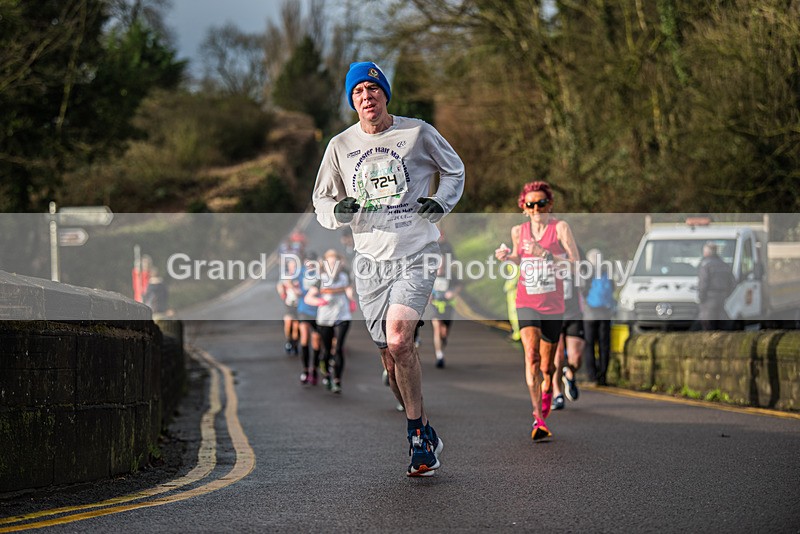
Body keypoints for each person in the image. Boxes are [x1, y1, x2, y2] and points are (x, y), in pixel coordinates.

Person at [312, 61, 465, 476]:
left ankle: (416, 438)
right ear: (352, 101)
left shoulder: (417, 132)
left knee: (400, 341)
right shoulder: (340, 146)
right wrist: (338, 211)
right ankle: (424, 427)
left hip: (416, 252)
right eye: (358, 91)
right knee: (390, 359)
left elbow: (454, 169)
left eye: (373, 89)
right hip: (369, 261)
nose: (367, 96)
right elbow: (322, 200)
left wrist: (441, 202)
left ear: (385, 95)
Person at [495, 181, 579, 442]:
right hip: (527, 301)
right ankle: (538, 417)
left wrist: (547, 254)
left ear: (549, 204)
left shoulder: (560, 228)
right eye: (530, 204)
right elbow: (521, 258)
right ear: (524, 208)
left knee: (548, 366)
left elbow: (576, 264)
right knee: (530, 356)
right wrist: (508, 257)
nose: (535, 209)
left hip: (553, 304)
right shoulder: (518, 231)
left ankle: (547, 392)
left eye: (540, 203)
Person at [305, 250, 355, 394]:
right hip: (325, 317)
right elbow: (309, 298)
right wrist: (319, 301)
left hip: (342, 315)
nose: (333, 266)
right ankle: (326, 373)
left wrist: (351, 300)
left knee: (338, 348)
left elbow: (349, 291)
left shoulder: (345, 277)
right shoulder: (321, 279)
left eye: (336, 263)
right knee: (326, 350)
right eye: (330, 263)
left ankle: (338, 380)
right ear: (324, 265)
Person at [551, 247, 585, 410]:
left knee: (576, 358)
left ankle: (569, 374)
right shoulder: (545, 251)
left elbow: (582, 268)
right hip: (554, 313)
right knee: (557, 356)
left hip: (573, 312)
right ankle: (557, 394)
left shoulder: (575, 251)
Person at [583, 248, 615, 386]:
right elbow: (613, 288)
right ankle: (603, 376)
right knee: (604, 345)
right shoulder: (607, 271)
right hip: (605, 312)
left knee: (589, 344)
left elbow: (582, 290)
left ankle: (592, 376)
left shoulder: (586, 272)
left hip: (590, 313)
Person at [429, 244, 462, 369]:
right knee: (437, 327)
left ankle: (443, 340)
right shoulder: (431, 275)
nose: (441, 267)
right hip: (436, 306)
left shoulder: (450, 275)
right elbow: (424, 287)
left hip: (448, 307)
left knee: (444, 332)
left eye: (443, 264)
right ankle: (439, 356)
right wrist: (428, 296)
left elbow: (459, 285)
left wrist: (452, 293)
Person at [296, 252, 322, 386]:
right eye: (308, 261)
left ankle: (314, 369)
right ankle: (305, 370)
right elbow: (290, 282)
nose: (311, 263)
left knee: (316, 342)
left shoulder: (321, 274)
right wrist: (293, 289)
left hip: (318, 311)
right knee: (304, 338)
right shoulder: (300, 272)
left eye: (313, 261)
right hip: (303, 310)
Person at [697, 241, 735, 331]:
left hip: (709, 298)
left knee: (708, 325)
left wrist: (701, 297)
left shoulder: (706, 265)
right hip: (722, 297)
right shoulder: (724, 265)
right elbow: (733, 283)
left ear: (706, 252)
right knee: (722, 323)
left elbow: (703, 283)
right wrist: (726, 294)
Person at [276, 249, 301, 354]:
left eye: (295, 266)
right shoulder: (285, 275)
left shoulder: (301, 275)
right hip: (289, 303)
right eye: (292, 266)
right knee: (288, 322)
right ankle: (288, 341)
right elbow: (279, 285)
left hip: (298, 304)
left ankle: (294, 343)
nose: (293, 268)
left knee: (296, 325)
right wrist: (282, 293)